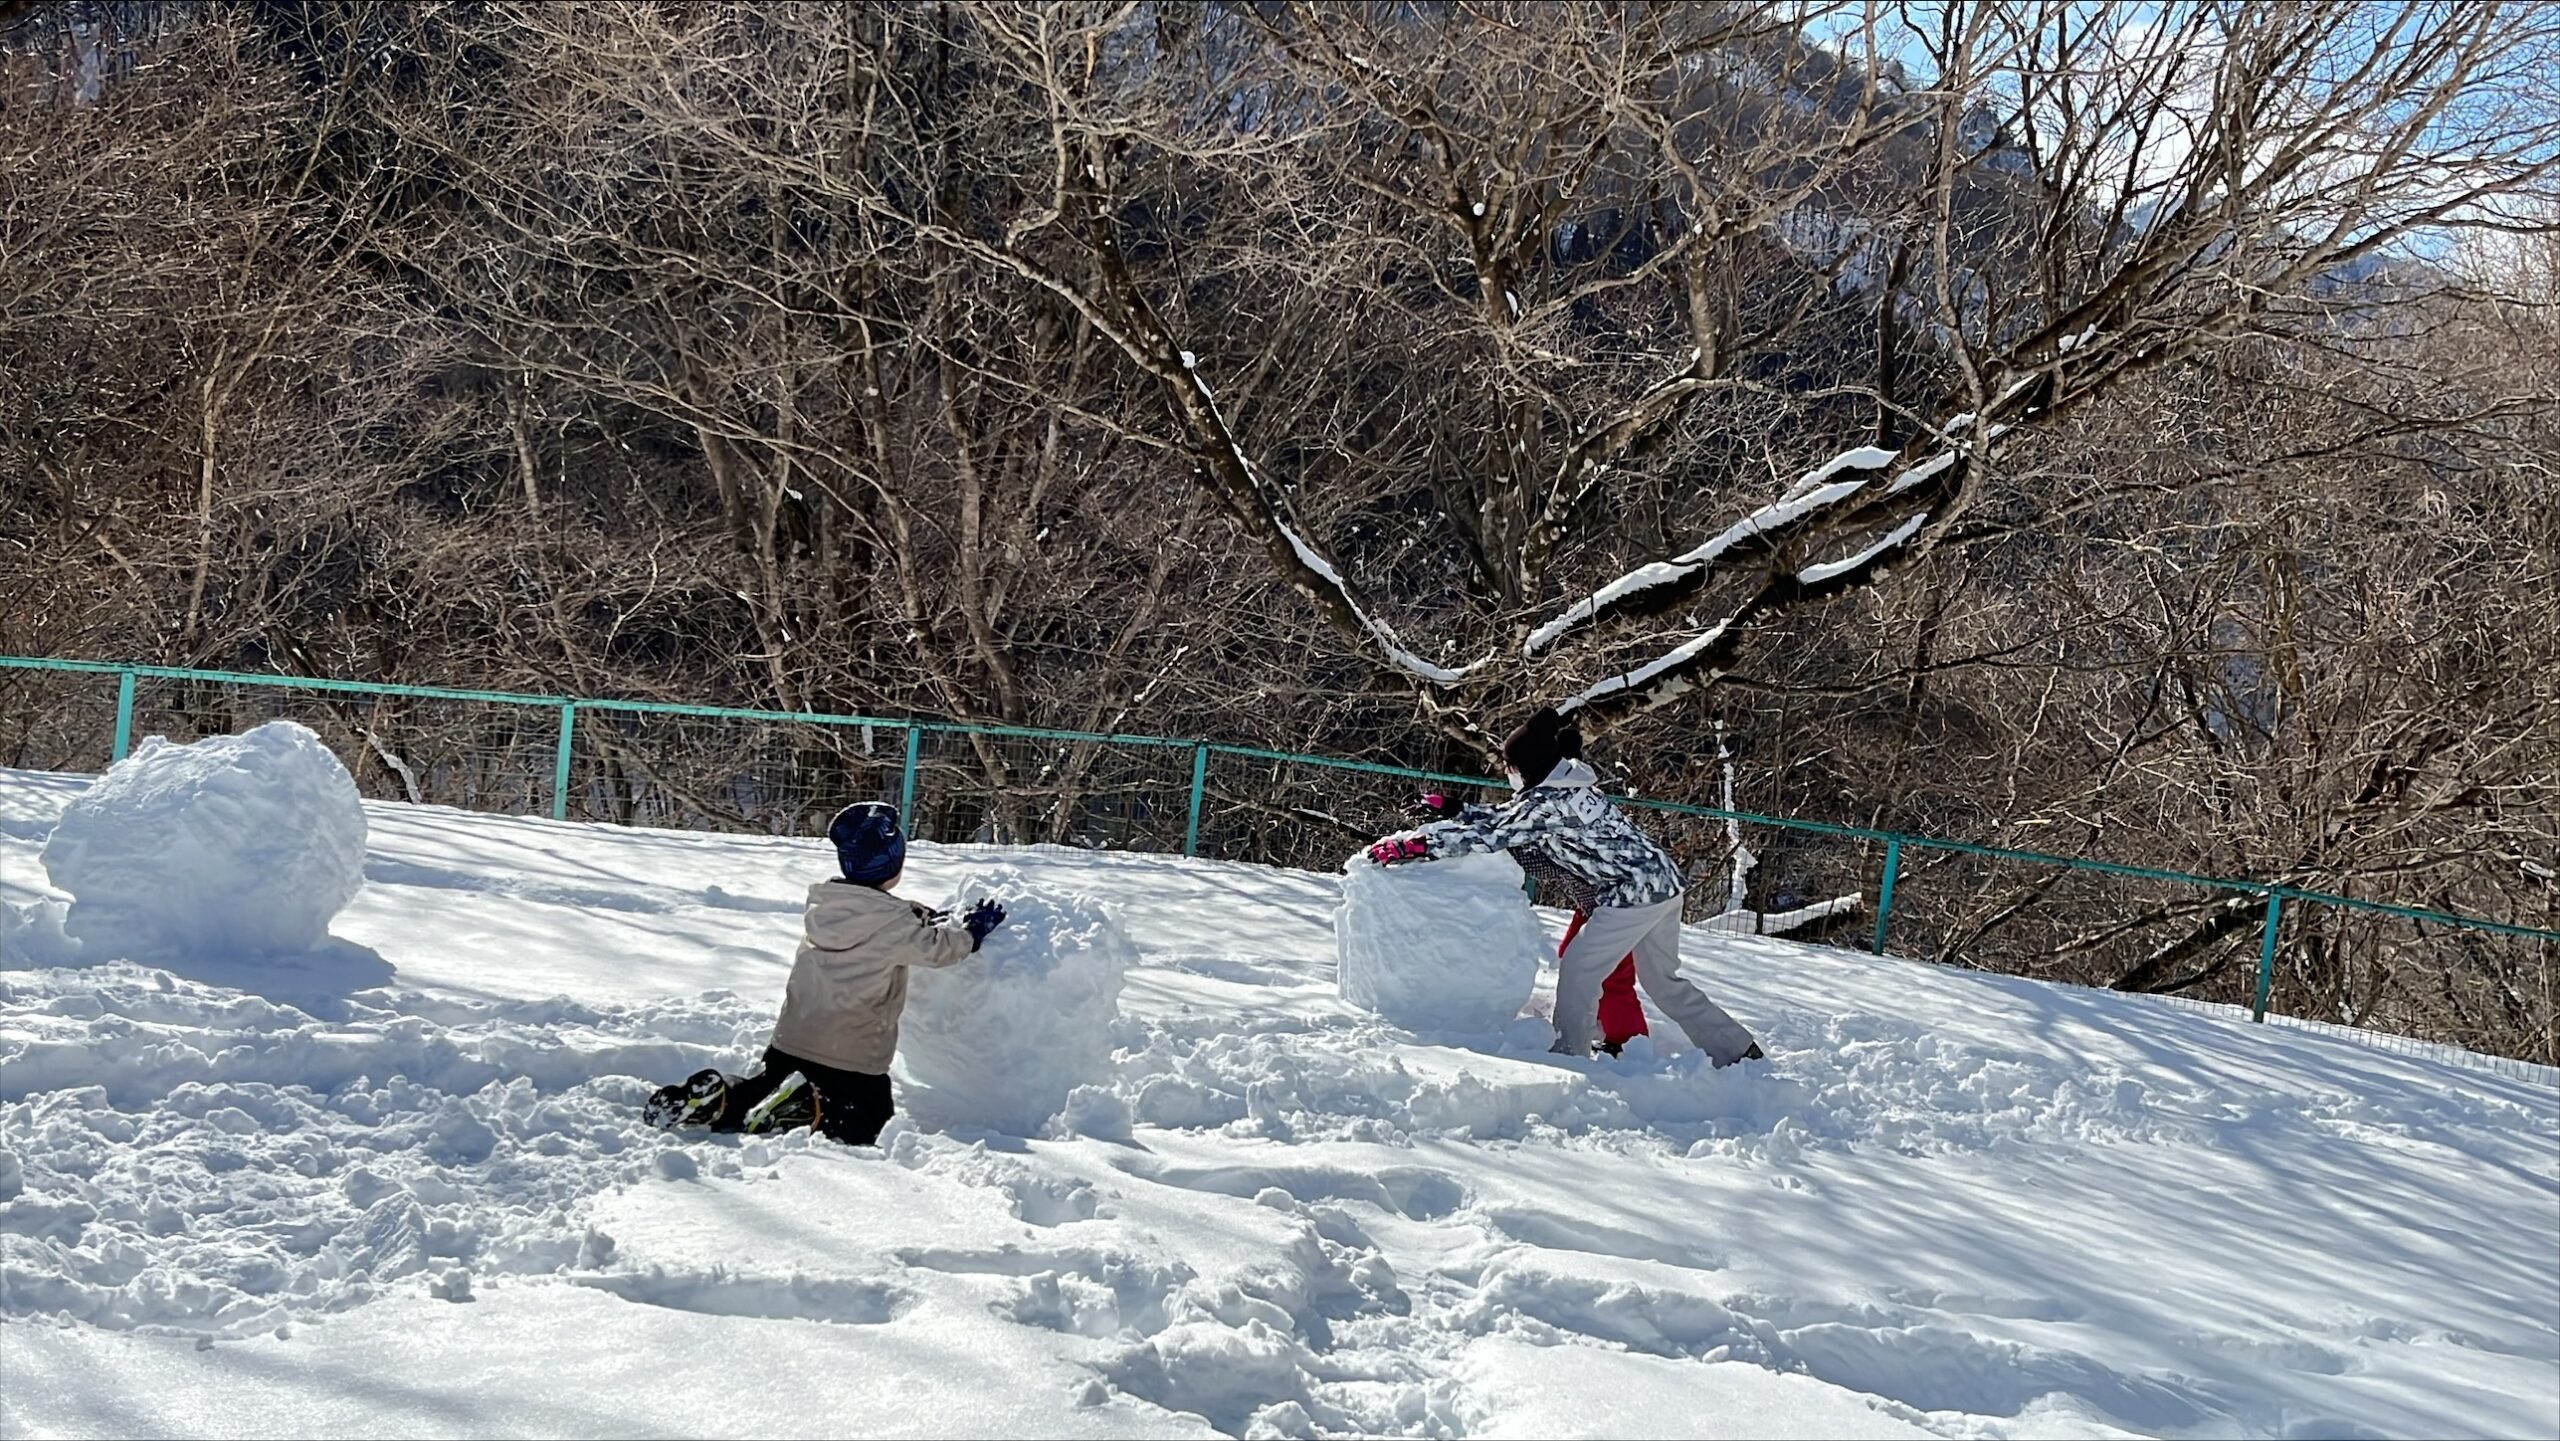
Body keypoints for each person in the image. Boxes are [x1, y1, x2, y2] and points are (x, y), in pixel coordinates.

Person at [1372, 708, 1763, 1066]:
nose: (1508, 772)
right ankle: (1737, 1049)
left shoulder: (1549, 802)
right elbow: (1514, 819)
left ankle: (1569, 1053)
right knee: (1663, 981)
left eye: (1511, 765)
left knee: (1579, 968)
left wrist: (1420, 845)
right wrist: (1458, 810)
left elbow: (1499, 835)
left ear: (1528, 766)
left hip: (1631, 895)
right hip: (1663, 883)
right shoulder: (1569, 787)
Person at [645, 801, 1005, 1144]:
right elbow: (938, 949)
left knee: (762, 1087)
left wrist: (915, 916)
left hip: (791, 1040)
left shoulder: (827, 905)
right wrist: (972, 933)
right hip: (848, 1055)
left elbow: (879, 919)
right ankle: (802, 1111)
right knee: (869, 1116)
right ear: (894, 865)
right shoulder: (895, 926)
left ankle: (724, 1097)